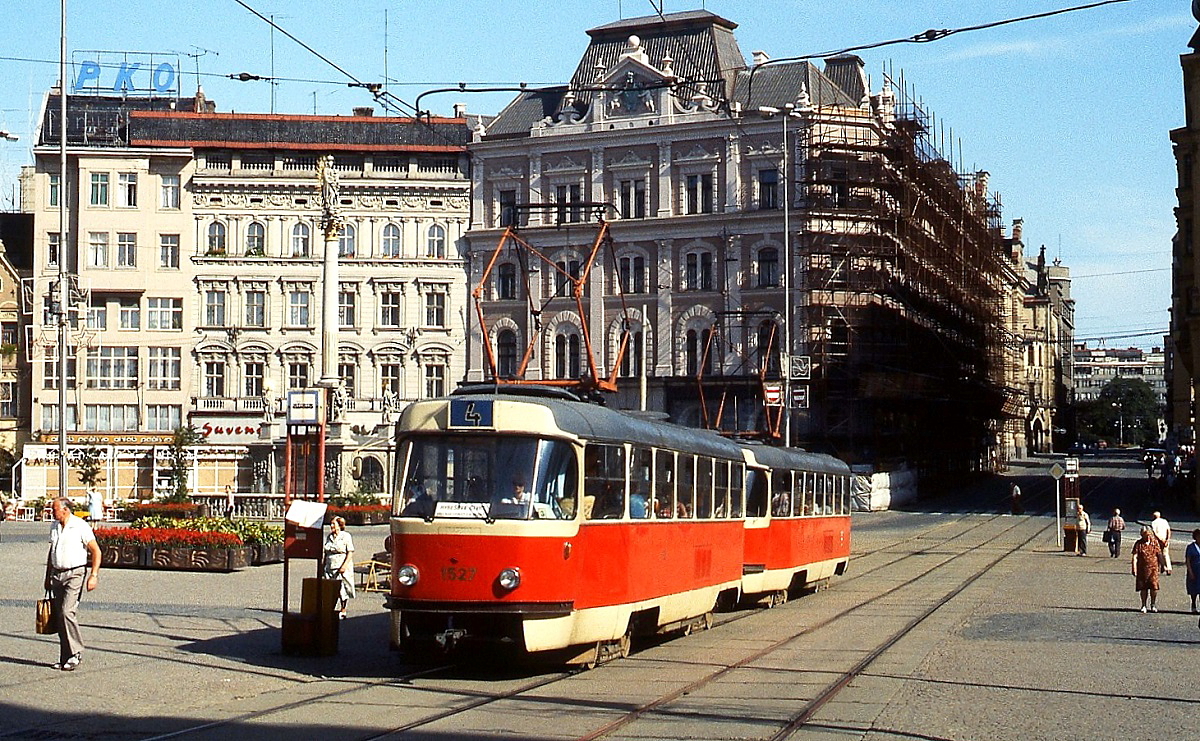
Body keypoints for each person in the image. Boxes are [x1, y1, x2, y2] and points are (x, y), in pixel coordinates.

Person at [43, 497, 101, 671]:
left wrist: (94, 575)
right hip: (57, 574)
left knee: (67, 612)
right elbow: (51, 551)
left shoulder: (80, 526)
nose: (52, 512)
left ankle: (75, 653)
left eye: (54, 509)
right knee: (60, 616)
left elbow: (96, 550)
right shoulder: (54, 526)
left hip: (75, 573)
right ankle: (65, 657)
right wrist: (47, 576)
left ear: (65, 509)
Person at [322, 516, 355, 619]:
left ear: (339, 525)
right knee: (330, 589)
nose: (331, 526)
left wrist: (344, 566)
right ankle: (330, 608)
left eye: (333, 524)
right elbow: (326, 553)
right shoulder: (329, 537)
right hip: (330, 566)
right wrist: (322, 566)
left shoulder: (346, 536)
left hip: (341, 566)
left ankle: (343, 609)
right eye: (331, 524)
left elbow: (350, 552)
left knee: (342, 589)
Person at [1132, 526, 1162, 613]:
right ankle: (1143, 605)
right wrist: (1134, 568)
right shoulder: (1138, 543)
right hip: (1142, 569)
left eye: (1148, 534)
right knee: (1143, 588)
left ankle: (1153, 604)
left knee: (1154, 587)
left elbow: (1159, 554)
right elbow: (1135, 556)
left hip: (1154, 569)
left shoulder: (1155, 543)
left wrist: (1164, 565)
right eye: (1144, 535)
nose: (1147, 537)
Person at [1150, 511, 1173, 575]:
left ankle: (1163, 567)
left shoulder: (1153, 523)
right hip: (1165, 539)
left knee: (1158, 554)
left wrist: (1161, 540)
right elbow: (1168, 530)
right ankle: (1168, 568)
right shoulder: (1164, 521)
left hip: (1158, 540)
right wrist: (1167, 539)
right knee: (1166, 554)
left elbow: (1155, 533)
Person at [1186, 528, 1200, 615]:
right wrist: (1190, 571)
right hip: (1194, 570)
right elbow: (1188, 560)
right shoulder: (1191, 547)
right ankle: (1193, 605)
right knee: (1194, 590)